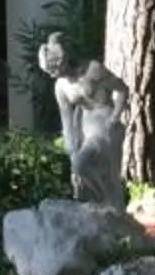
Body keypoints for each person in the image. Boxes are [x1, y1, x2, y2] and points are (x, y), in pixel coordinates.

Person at [37, 33, 129, 209]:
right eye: (50, 72)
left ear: (63, 60)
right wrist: (71, 151)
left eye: (55, 69)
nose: (53, 75)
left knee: (109, 173)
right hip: (85, 127)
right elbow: (67, 121)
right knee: (79, 165)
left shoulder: (93, 69)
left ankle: (111, 206)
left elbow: (123, 90)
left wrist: (115, 118)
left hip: (105, 124)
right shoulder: (61, 87)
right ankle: (99, 203)